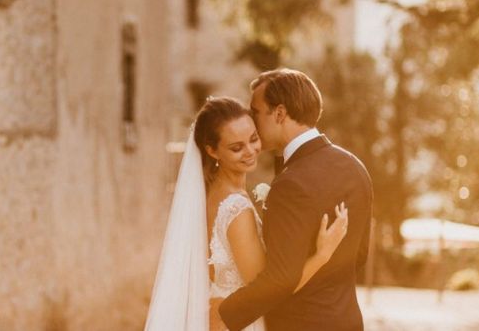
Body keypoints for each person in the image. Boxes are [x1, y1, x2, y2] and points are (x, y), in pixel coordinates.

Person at [145, 96, 348, 331]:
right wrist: (322, 254)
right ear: (212, 151)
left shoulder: (209, 195)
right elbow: (268, 290)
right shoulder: (235, 209)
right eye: (236, 147)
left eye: (253, 139)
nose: (250, 151)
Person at [214, 70, 374, 331]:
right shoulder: (356, 167)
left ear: (279, 114)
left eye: (255, 112)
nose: (252, 122)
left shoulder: (291, 183)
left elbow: (280, 277)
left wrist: (225, 314)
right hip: (347, 321)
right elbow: (359, 255)